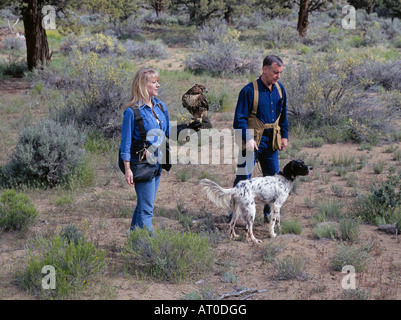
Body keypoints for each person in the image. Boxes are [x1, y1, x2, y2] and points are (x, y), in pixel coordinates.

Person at [120, 67, 200, 233]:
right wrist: (127, 170)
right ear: (143, 85)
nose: (158, 85)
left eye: (158, 82)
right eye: (154, 82)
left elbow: (167, 134)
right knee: (147, 209)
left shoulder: (160, 106)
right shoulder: (132, 111)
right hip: (141, 165)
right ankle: (148, 248)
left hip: (157, 162)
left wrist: (188, 128)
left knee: (144, 205)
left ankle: (134, 241)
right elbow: (125, 144)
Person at [232, 55, 289, 221]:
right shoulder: (248, 91)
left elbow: (283, 116)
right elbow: (239, 120)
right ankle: (236, 215)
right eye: (275, 72)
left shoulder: (280, 90)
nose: (278, 76)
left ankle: (268, 215)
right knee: (243, 179)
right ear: (264, 70)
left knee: (273, 180)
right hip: (251, 142)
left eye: (280, 73)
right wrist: (248, 138)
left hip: (271, 143)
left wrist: (284, 136)